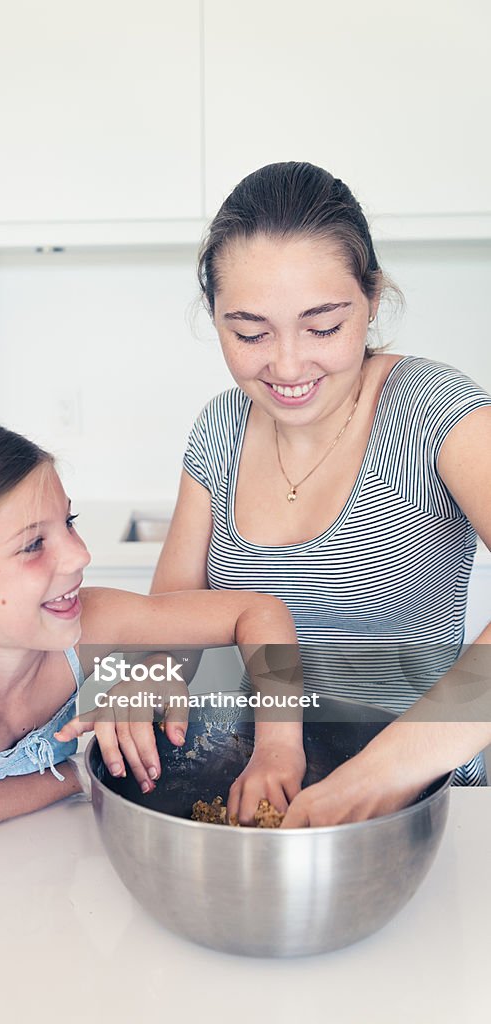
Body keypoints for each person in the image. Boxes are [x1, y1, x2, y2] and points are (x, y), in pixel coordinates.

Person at [148, 161, 491, 827]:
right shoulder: (219, 428)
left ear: (372, 300)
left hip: (434, 798)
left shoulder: (434, 412)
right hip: (265, 784)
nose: (286, 365)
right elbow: (163, 620)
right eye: (249, 333)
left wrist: (383, 773)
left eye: (323, 327)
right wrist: (135, 685)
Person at [0, 412, 297, 835]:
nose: (80, 555)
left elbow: (258, 612)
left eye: (69, 521)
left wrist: (276, 745)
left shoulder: (88, 619)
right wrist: (80, 775)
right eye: (32, 545)